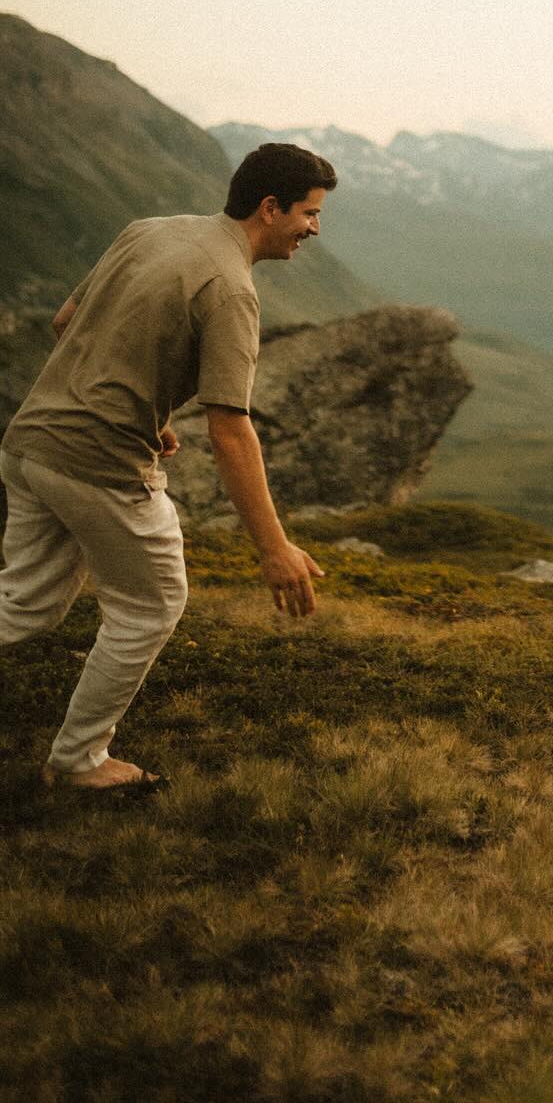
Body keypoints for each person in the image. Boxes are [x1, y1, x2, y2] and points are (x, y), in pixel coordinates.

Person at [0, 143, 336, 793]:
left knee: (27, 603)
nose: (315, 229)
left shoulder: (148, 231)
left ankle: (79, 756)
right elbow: (231, 430)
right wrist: (274, 548)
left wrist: (150, 412)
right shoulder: (231, 291)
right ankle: (79, 761)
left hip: (30, 444)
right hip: (99, 463)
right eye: (310, 213)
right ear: (271, 208)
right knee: (150, 606)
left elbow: (67, 321)